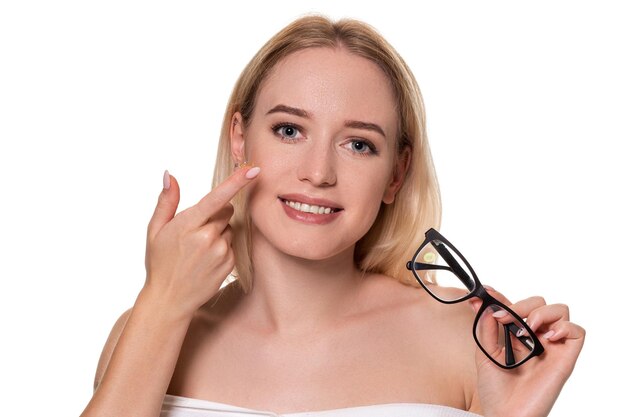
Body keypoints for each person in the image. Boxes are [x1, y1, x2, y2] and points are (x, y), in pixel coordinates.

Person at [80, 15, 585, 417]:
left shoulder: (469, 338)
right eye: (289, 131)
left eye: (359, 144)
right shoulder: (151, 328)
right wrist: (163, 301)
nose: (318, 173)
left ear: (395, 173)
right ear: (239, 137)